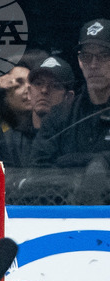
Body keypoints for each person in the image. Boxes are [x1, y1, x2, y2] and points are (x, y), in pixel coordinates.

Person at [31, 19, 110, 170]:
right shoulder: (59, 115)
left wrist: (70, 161)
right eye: (86, 56)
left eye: (104, 55)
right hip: (64, 194)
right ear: (79, 61)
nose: (93, 65)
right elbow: (37, 170)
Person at [0, 56, 75, 169]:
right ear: (29, 92)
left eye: (55, 86)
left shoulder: (75, 139)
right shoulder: (9, 141)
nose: (44, 90)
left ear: (68, 97)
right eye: (38, 84)